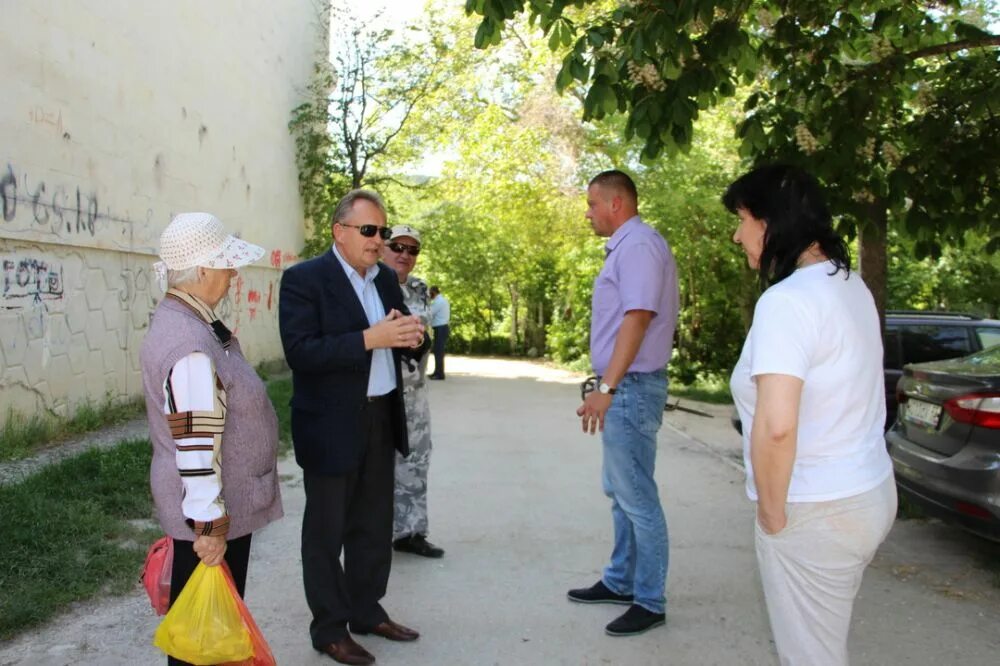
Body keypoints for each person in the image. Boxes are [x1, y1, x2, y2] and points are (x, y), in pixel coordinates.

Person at [724, 164, 897, 665]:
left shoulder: (788, 301)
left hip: (815, 508)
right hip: (866, 492)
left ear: (772, 220)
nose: (738, 235)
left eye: (742, 218)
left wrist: (773, 514)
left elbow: (777, 426)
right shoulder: (848, 284)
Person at [278, 190, 429, 666]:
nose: (379, 240)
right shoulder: (304, 279)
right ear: (339, 231)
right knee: (326, 532)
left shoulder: (384, 277)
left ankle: (367, 610)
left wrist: (409, 338)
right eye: (370, 231)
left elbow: (394, 337)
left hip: (381, 414)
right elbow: (301, 352)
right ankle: (329, 629)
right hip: (330, 424)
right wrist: (371, 338)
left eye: (383, 231)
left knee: (372, 524)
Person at [140, 212, 283, 666]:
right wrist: (208, 528)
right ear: (201, 271)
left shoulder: (192, 321)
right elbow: (195, 441)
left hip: (216, 511)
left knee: (208, 637)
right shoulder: (188, 343)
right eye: (225, 265)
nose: (232, 274)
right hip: (208, 519)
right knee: (201, 644)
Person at [569, 170, 679, 637]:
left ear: (616, 204)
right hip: (627, 384)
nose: (588, 213)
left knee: (636, 496)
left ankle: (649, 600)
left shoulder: (636, 246)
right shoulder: (631, 246)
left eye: (593, 204)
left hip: (631, 386)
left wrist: (607, 388)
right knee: (621, 491)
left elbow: (638, 318)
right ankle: (621, 580)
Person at [382, 225, 445, 558]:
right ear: (383, 247)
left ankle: (411, 531)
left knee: (417, 459)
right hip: (382, 394)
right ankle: (376, 533)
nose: (405, 255)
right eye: (398, 247)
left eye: (412, 250)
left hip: (415, 394)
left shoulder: (420, 289)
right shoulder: (372, 284)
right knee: (378, 466)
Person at [427, 285, 450, 380]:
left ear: (434, 292)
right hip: (441, 328)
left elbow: (429, 313)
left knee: (439, 352)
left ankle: (440, 374)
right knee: (437, 351)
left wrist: (427, 302)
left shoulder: (438, 302)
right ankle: (437, 372)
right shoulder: (442, 300)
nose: (429, 295)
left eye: (430, 293)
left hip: (441, 328)